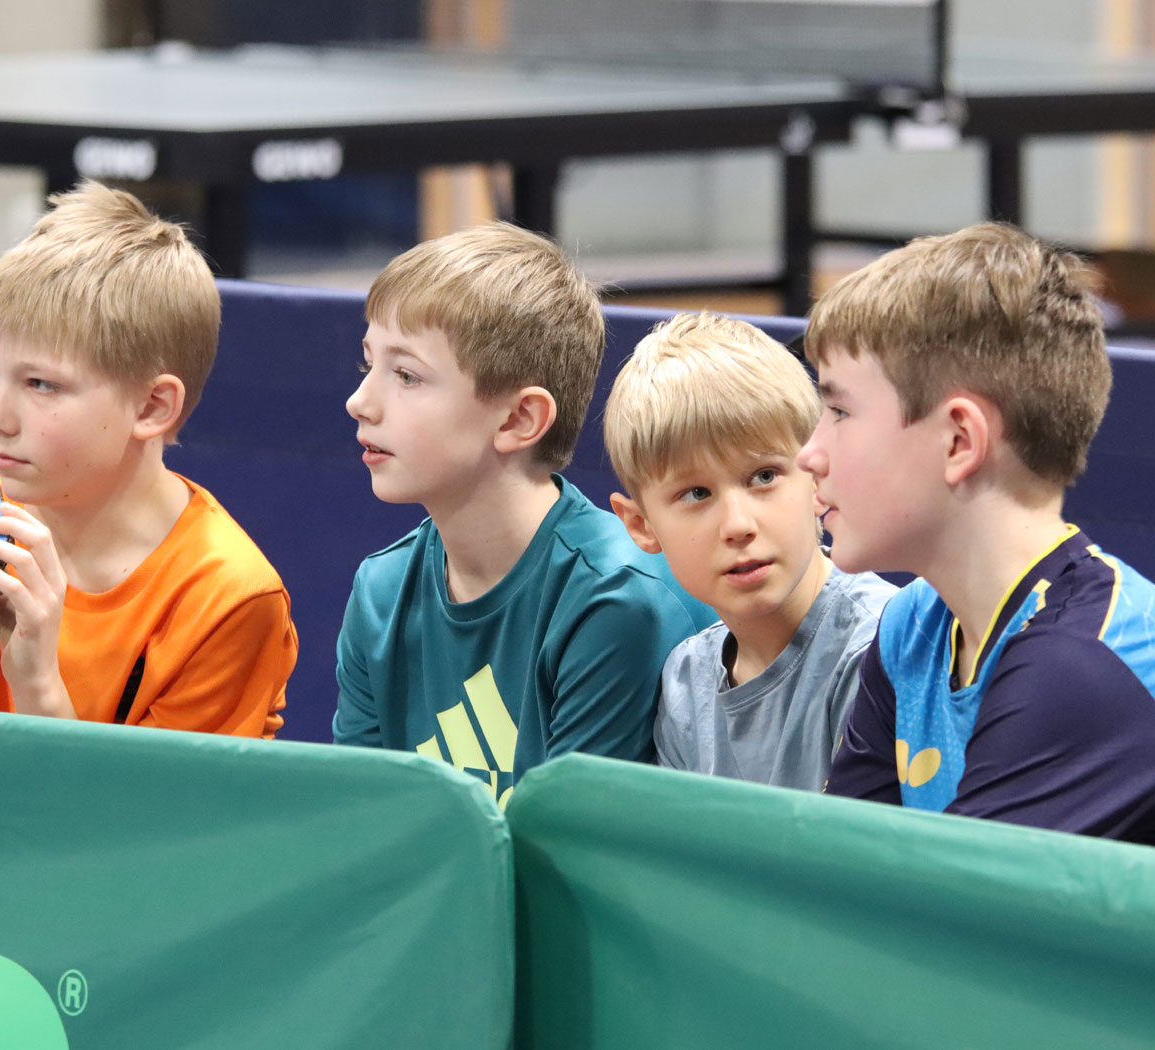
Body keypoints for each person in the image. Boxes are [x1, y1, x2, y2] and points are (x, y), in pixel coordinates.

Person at [0, 181, 298, 736]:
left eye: (41, 384)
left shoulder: (227, 600)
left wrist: (39, 689)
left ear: (152, 406)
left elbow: (162, 798)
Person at [797, 221, 1155, 843]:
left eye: (840, 411)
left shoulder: (1076, 668)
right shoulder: (913, 625)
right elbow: (841, 866)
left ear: (959, 441)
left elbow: (936, 906)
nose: (810, 453)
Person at [333, 222, 714, 804]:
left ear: (519, 420)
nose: (359, 402)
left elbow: (567, 844)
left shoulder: (617, 603)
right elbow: (359, 818)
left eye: (406, 375)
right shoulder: (380, 591)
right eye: (369, 365)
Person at [604, 311, 894, 790]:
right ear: (641, 524)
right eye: (696, 494)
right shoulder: (685, 681)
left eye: (764, 477)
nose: (738, 525)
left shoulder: (880, 651)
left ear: (818, 477)